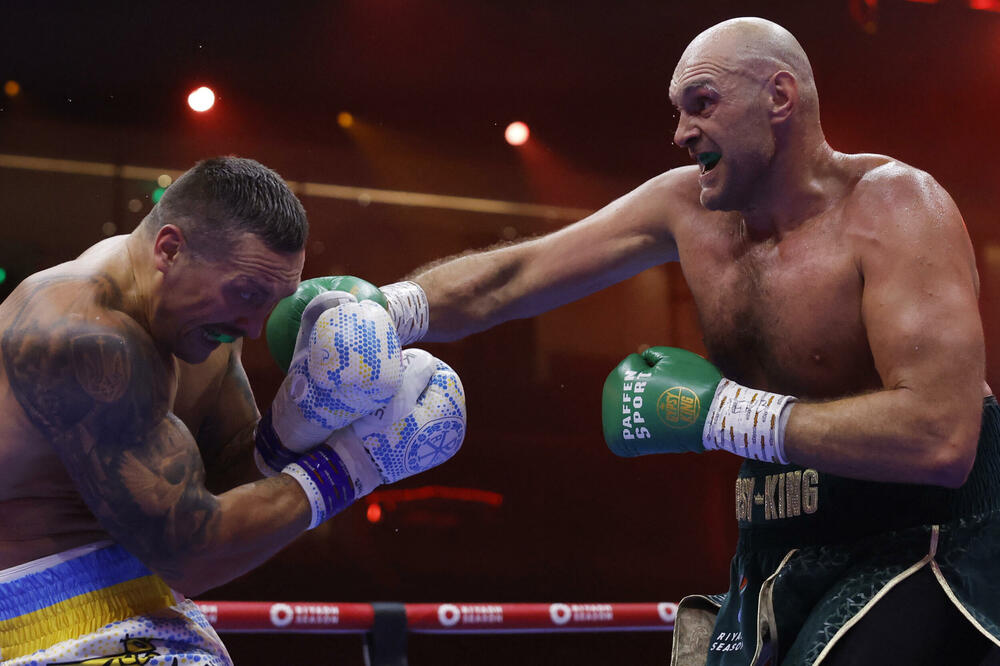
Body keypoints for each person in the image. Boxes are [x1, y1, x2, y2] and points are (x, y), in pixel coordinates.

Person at [318, 17, 1000, 666]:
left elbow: (940, 436)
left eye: (701, 103)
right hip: (777, 547)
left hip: (926, 544)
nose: (681, 133)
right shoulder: (686, 209)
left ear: (780, 97)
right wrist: (385, 310)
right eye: (677, 111)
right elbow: (514, 275)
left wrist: (729, 414)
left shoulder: (895, 206)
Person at [0, 156, 467, 665]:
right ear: (170, 250)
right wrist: (357, 462)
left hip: (138, 596)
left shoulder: (202, 315)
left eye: (271, 301)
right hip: (28, 613)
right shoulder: (81, 334)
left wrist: (304, 419)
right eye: (246, 294)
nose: (251, 326)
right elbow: (191, 554)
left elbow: (227, 480)